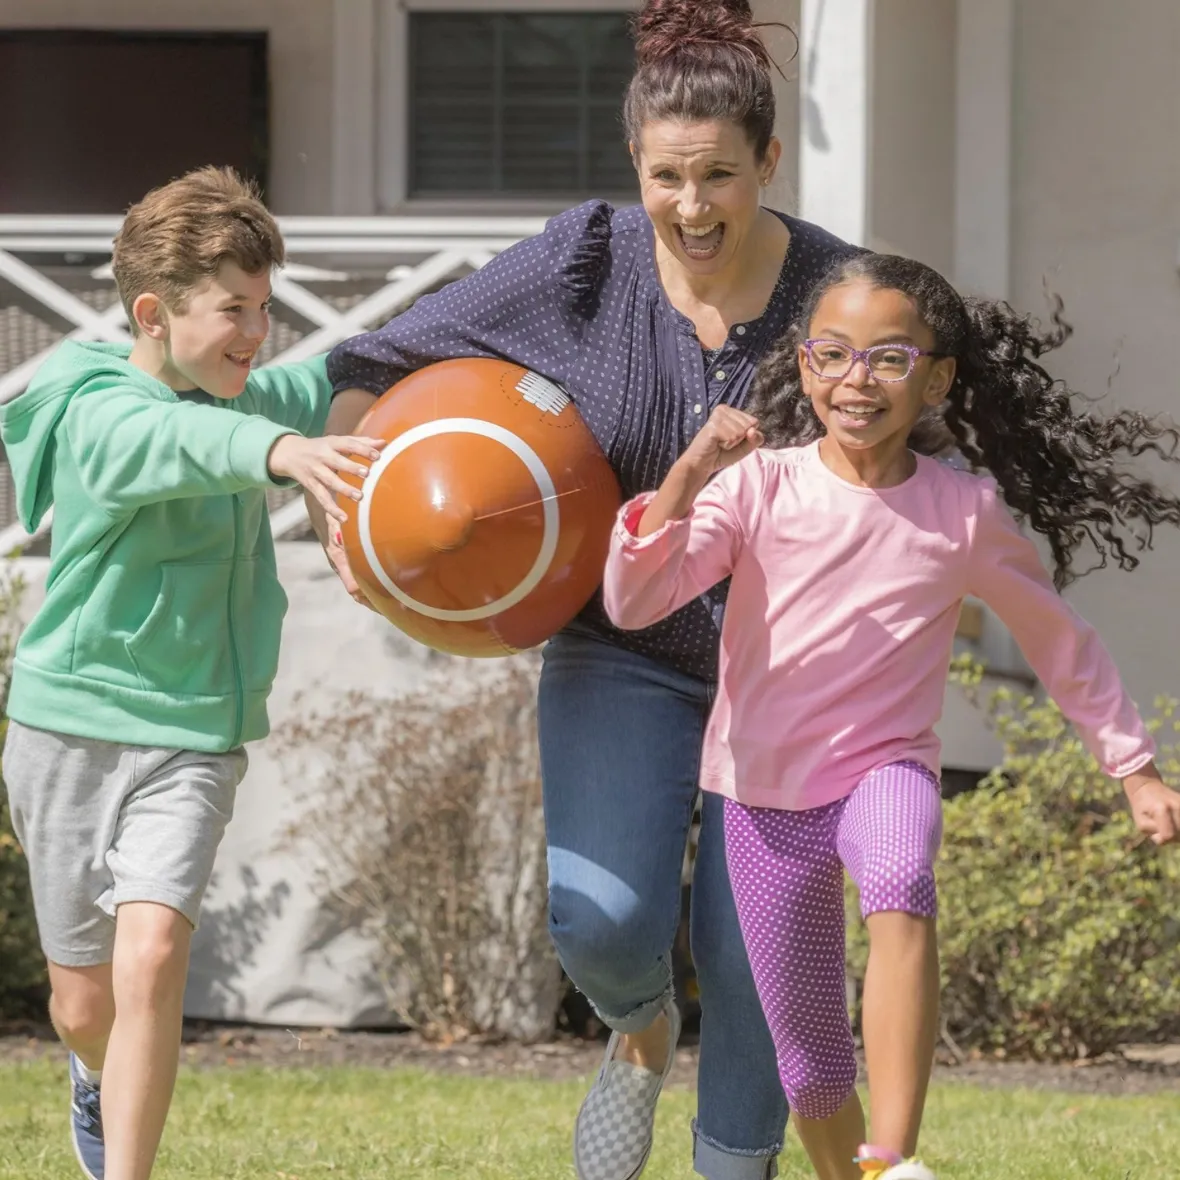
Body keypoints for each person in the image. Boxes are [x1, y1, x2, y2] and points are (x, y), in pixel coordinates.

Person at [310, 2, 863, 1175]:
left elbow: (914, 465)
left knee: (756, 948)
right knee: (603, 922)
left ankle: (731, 1161)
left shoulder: (838, 297)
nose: (694, 205)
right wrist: (345, 495)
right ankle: (640, 1029)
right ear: (635, 164)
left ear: (770, 160)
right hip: (626, 640)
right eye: (669, 176)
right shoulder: (585, 256)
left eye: (720, 174)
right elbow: (373, 360)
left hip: (791, 672)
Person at [601, 250, 1180, 1180]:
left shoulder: (963, 514)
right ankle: (852, 1175)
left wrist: (1134, 768)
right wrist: (687, 475)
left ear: (937, 378)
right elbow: (636, 599)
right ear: (804, 368)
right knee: (809, 1053)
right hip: (760, 790)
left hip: (887, 767)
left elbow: (1057, 639)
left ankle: (894, 1157)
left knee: (902, 874)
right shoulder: (759, 488)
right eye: (831, 354)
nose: (855, 380)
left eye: (888, 358)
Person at [0, 166, 383, 1180]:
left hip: (192, 733)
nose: (257, 335)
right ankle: (91, 1071)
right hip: (67, 728)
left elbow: (355, 363)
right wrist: (284, 451)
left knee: (155, 957)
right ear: (153, 313)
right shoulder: (97, 412)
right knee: (85, 1003)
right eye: (232, 312)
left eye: (264, 309)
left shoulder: (249, 395)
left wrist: (351, 404)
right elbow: (171, 442)